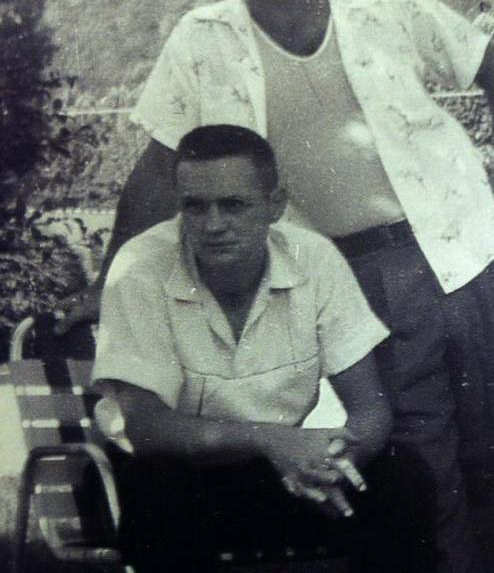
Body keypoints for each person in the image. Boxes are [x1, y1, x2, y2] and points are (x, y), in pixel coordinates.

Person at [66, 0, 494, 573]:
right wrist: (105, 284)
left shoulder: (383, 2)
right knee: (421, 458)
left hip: (463, 251)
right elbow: (158, 168)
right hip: (355, 270)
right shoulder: (202, 40)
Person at [91, 124, 394, 570]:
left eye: (233, 205)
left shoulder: (314, 258)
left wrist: (332, 465)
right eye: (195, 206)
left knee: (400, 477)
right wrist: (272, 439)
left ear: (275, 205)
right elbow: (147, 429)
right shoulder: (141, 266)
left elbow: (371, 409)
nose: (213, 225)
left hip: (276, 475)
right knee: (159, 486)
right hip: (164, 473)